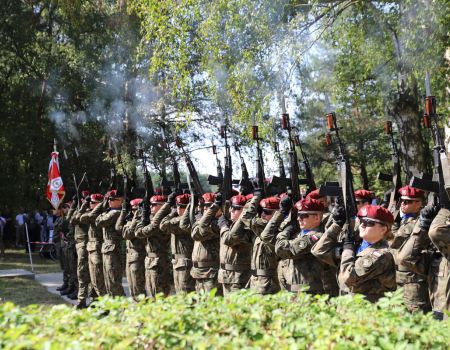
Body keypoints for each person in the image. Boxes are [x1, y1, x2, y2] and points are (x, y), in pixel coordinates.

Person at [338, 205, 396, 302]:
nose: (362, 225)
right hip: (351, 306)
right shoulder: (359, 245)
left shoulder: (381, 255)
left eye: (369, 223)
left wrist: (348, 250)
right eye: (361, 221)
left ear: (383, 229)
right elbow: (319, 251)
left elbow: (348, 278)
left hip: (368, 310)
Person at [389, 186, 430, 312]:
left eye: (407, 201)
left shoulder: (419, 222)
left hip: (413, 280)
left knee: (416, 316)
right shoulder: (405, 221)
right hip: (399, 277)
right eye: (402, 200)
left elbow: (394, 242)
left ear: (419, 203)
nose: (403, 204)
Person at [275, 197, 328, 294]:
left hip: (308, 294)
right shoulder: (298, 235)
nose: (299, 218)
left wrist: (285, 232)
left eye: (304, 215)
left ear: (316, 217)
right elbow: (267, 237)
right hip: (291, 291)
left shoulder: (317, 237)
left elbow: (283, 249)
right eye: (298, 215)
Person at [237, 193, 281, 294]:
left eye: (267, 212)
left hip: (268, 283)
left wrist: (256, 197)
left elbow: (245, 216)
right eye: (261, 211)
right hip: (256, 280)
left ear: (276, 214)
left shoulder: (271, 229)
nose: (263, 214)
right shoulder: (260, 227)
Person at [135, 194, 171, 297]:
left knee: (159, 294)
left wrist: (142, 218)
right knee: (151, 292)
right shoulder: (153, 218)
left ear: (162, 206)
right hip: (150, 261)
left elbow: (141, 232)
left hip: (159, 261)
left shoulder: (162, 220)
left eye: (154, 205)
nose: (151, 207)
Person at [217, 194, 253, 296]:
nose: (231, 211)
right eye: (231, 207)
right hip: (227, 276)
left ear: (244, 211)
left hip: (239, 278)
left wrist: (223, 226)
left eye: (236, 208)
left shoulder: (245, 228)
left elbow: (229, 239)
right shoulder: (232, 225)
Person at [160, 193, 195, 294]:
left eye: (182, 207)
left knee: (185, 295)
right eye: (177, 206)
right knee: (180, 294)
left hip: (185, 264)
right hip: (178, 262)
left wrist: (172, 213)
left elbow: (163, 225)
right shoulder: (179, 219)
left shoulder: (187, 221)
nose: (179, 209)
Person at [94, 189, 125, 297]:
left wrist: (103, 212)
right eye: (109, 199)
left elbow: (99, 222)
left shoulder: (117, 212)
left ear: (121, 200)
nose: (109, 201)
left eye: (112, 199)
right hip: (107, 249)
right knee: (108, 282)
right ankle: (113, 308)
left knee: (114, 282)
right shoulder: (109, 212)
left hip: (113, 250)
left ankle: (123, 308)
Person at [189, 192, 221, 294]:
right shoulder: (203, 221)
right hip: (199, 272)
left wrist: (213, 208)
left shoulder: (217, 223)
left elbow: (199, 234)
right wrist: (192, 206)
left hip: (211, 273)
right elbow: (186, 226)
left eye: (209, 206)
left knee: (212, 306)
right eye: (204, 206)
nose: (206, 208)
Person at [116, 197, 146, 301]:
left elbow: (127, 235)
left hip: (138, 256)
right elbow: (118, 227)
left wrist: (135, 219)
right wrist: (123, 212)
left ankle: (142, 308)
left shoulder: (141, 221)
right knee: (131, 285)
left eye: (135, 209)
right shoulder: (131, 220)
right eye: (132, 209)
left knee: (138, 286)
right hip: (130, 256)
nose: (133, 212)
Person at [79, 193, 107, 301]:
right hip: (91, 247)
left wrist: (101, 205)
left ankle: (104, 304)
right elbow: (79, 217)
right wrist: (84, 204)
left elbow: (87, 218)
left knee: (98, 278)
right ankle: (96, 301)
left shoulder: (100, 213)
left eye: (93, 202)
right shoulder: (91, 212)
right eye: (90, 202)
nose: (90, 204)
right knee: (93, 278)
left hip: (97, 248)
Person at [68, 191, 92, 309]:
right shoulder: (81, 209)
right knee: (81, 273)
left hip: (85, 244)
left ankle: (91, 299)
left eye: (84, 199)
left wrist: (83, 206)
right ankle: (81, 299)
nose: (81, 200)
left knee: (85, 272)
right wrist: (74, 204)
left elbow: (77, 219)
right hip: (79, 244)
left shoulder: (90, 211)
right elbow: (70, 219)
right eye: (81, 199)